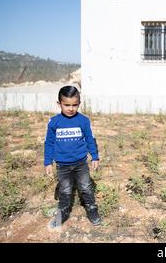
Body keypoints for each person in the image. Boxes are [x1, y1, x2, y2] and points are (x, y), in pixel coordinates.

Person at [44, 85, 101, 226]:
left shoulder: (83, 121)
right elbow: (49, 143)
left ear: (79, 104)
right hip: (62, 165)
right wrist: (47, 162)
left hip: (81, 163)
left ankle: (92, 211)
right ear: (59, 104)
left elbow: (90, 139)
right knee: (65, 190)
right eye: (66, 105)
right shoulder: (54, 122)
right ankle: (62, 214)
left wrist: (94, 156)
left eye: (74, 105)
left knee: (86, 187)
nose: (71, 108)